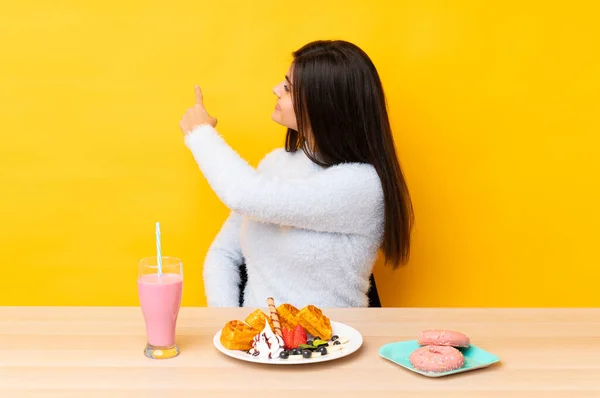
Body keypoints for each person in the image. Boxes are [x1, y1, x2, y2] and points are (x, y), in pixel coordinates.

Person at [179, 40, 414, 308]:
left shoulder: (363, 185)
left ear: (324, 105)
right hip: (260, 346)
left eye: (288, 88)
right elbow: (224, 253)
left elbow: (244, 194)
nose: (275, 90)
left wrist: (201, 135)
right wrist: (230, 325)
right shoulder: (274, 164)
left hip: (331, 343)